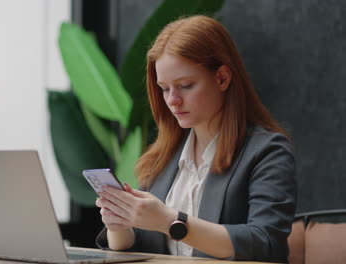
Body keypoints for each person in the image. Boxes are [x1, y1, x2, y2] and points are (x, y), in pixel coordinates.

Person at [95, 15, 296, 262]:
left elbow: (265, 242)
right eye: (165, 88)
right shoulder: (162, 156)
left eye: (186, 85)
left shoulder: (267, 151)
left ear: (222, 78)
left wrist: (170, 221)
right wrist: (118, 224)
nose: (172, 100)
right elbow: (139, 244)